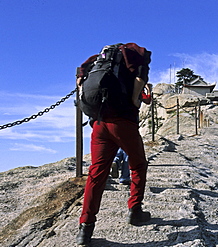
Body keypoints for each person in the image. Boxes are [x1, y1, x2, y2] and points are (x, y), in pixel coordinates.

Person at [75, 43, 151, 246]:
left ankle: (85, 228)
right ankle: (135, 211)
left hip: (99, 124)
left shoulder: (98, 61)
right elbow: (140, 77)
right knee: (138, 165)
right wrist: (135, 100)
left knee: (96, 173)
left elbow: (80, 81)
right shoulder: (135, 55)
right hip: (123, 122)